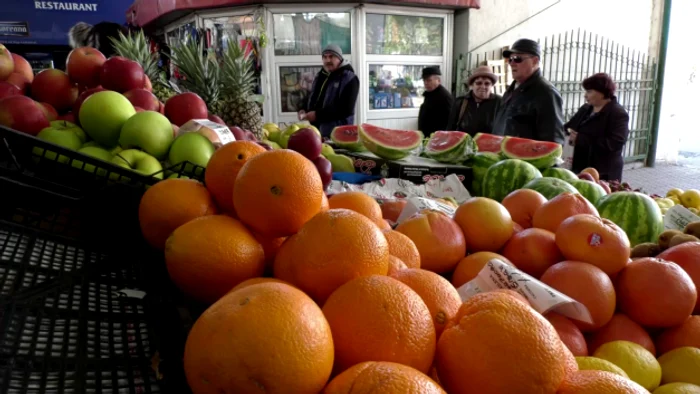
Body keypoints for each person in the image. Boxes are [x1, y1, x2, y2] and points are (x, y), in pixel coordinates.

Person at [492, 39, 565, 145]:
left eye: (517, 59)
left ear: (534, 61)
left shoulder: (546, 93)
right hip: (504, 157)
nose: (511, 63)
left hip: (525, 160)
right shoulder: (511, 89)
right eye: (510, 59)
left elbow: (553, 141)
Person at [565, 73, 630, 181]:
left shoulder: (617, 113)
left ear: (602, 92)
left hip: (603, 172)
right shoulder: (586, 109)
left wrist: (580, 139)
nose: (585, 95)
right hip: (580, 167)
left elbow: (615, 143)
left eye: (589, 91)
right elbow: (569, 126)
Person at [299, 44, 360, 138]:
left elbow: (346, 109)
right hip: (317, 132)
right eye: (325, 57)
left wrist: (317, 115)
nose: (327, 60)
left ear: (339, 58)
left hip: (339, 134)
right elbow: (313, 96)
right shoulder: (321, 75)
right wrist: (302, 108)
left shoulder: (350, 79)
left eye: (331, 56)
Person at [446, 65, 501, 136]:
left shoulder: (500, 103)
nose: (483, 87)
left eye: (487, 83)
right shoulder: (460, 102)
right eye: (478, 83)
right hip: (464, 146)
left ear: (492, 85)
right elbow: (450, 130)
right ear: (472, 85)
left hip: (489, 146)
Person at [418, 67, 454, 136]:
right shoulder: (430, 93)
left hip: (437, 138)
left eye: (429, 80)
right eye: (424, 80)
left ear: (438, 80)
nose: (425, 83)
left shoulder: (445, 97)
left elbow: (450, 121)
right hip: (427, 137)